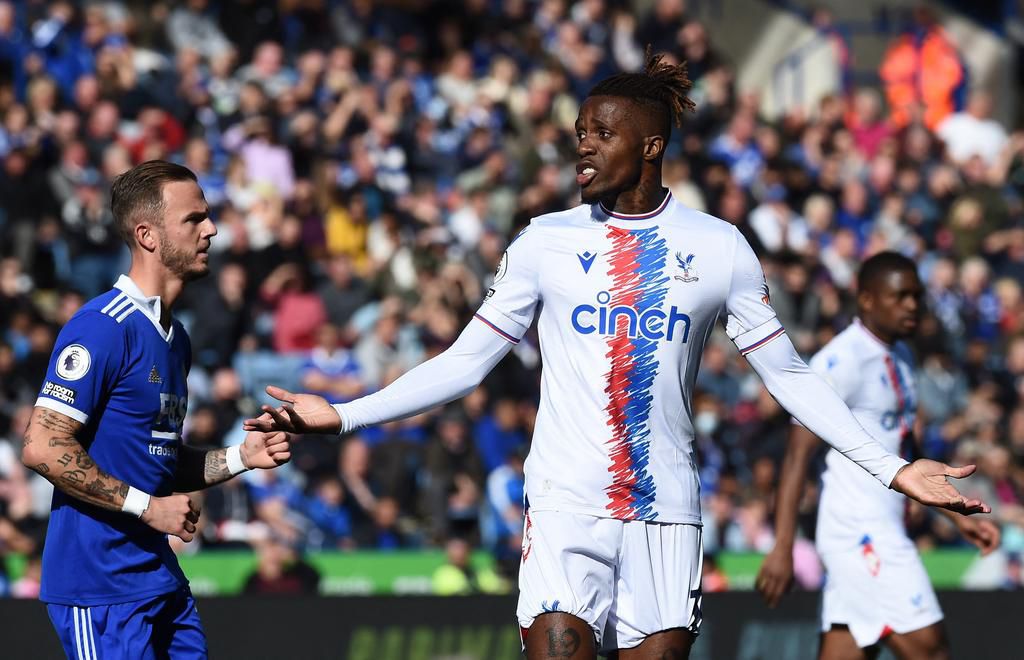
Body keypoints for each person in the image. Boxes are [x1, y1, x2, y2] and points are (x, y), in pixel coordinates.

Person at [244, 52, 988, 660]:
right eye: (580, 131)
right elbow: (465, 362)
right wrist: (344, 414)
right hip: (565, 505)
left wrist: (893, 469)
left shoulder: (719, 248)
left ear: (651, 145)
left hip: (666, 513)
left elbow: (790, 377)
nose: (584, 145)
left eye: (602, 132)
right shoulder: (544, 241)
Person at [21, 161, 292, 659]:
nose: (211, 229)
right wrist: (148, 508)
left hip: (159, 578)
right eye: (194, 219)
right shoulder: (102, 326)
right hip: (100, 588)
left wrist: (241, 457)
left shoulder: (176, 339)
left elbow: (158, 460)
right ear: (147, 235)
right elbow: (42, 446)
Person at [756, 252, 1001, 660]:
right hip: (860, 532)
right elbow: (797, 456)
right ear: (867, 299)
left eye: (917, 295)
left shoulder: (902, 355)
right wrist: (783, 546)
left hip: (881, 526)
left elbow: (905, 453)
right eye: (900, 296)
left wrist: (957, 516)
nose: (912, 305)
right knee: (931, 650)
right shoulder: (840, 361)